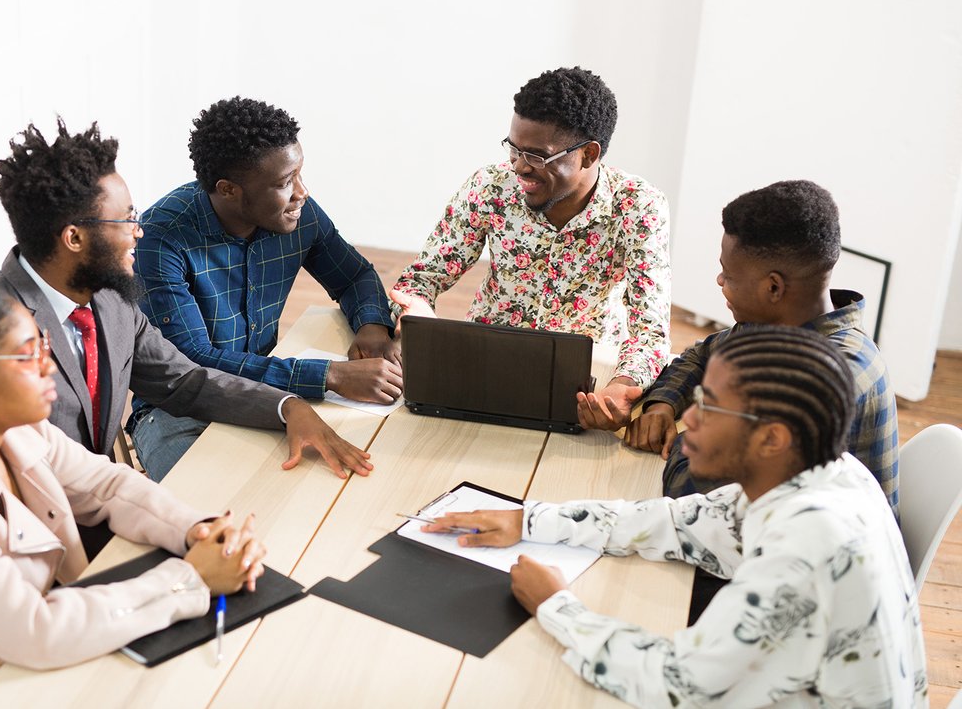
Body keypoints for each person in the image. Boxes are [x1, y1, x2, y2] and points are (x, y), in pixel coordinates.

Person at [425, 326, 927, 707]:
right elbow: (677, 522)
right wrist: (529, 520)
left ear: (772, 437)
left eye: (711, 408)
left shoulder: (802, 549)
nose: (689, 420)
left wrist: (556, 605)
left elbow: (674, 684)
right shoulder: (820, 471)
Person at [0, 285, 266, 709]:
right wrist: (188, 580)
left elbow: (106, 484)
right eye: (27, 355)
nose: (48, 365)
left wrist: (196, 530)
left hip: (12, 659)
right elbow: (33, 631)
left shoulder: (12, 426)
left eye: (44, 345)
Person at [0, 119, 374, 486]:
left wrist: (287, 406)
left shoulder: (110, 302)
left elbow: (185, 378)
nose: (138, 231)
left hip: (99, 497)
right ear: (74, 238)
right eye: (125, 220)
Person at [581, 180, 899, 511]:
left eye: (728, 274)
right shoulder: (780, 324)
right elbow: (699, 356)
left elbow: (694, 489)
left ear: (773, 287)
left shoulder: (824, 380)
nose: (719, 281)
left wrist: (691, 430)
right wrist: (662, 406)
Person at [389, 66, 671, 417]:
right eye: (514, 149)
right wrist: (416, 312)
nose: (520, 167)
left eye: (537, 156)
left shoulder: (638, 206)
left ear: (589, 154)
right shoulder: (490, 186)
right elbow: (421, 278)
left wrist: (622, 385)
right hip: (484, 363)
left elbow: (650, 331)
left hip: (587, 377)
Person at [131, 96, 401, 427]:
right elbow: (192, 361)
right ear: (228, 190)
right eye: (284, 182)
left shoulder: (298, 213)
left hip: (271, 391)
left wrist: (372, 325)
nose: (302, 191)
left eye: (299, 173)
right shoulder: (161, 239)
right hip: (179, 409)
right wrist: (331, 375)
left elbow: (354, 276)